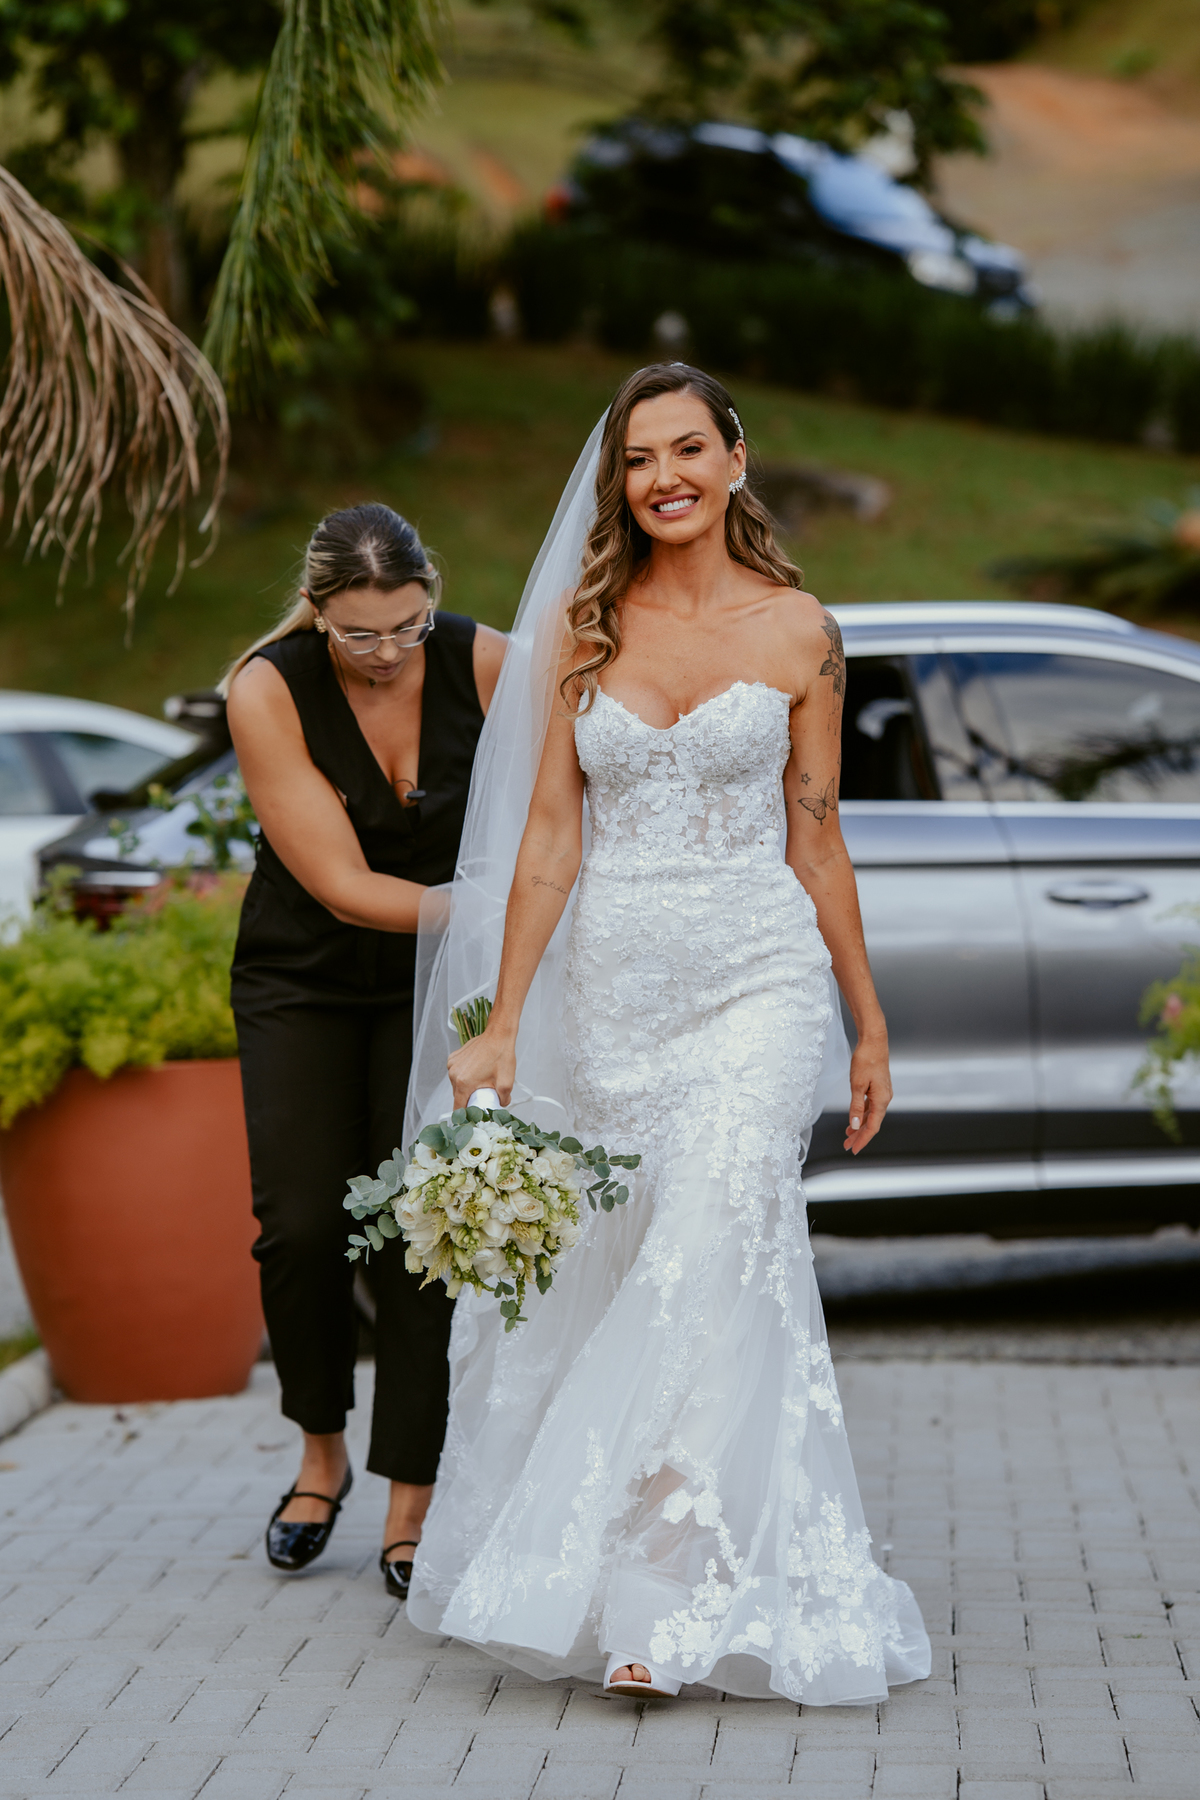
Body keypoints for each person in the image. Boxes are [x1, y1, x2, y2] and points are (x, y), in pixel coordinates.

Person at [404, 366, 931, 1702]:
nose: (664, 474)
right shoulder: (585, 631)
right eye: (640, 457)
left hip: (759, 979)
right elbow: (545, 846)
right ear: (619, 481)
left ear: (737, 458)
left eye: (688, 447)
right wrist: (504, 1020)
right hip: (616, 991)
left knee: (709, 1245)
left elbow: (817, 834)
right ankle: (649, 1576)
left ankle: (664, 1595)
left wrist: (866, 1022)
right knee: (644, 1261)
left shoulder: (802, 629)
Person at [223, 503, 505, 1598]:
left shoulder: (482, 659)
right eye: (359, 634)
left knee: (416, 1225)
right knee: (298, 1224)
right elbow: (341, 885)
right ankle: (319, 1455)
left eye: (407, 626)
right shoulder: (266, 685)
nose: (388, 653)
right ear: (318, 609)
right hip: (303, 970)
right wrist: (492, 908)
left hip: (430, 985)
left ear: (430, 594)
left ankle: (410, 1500)